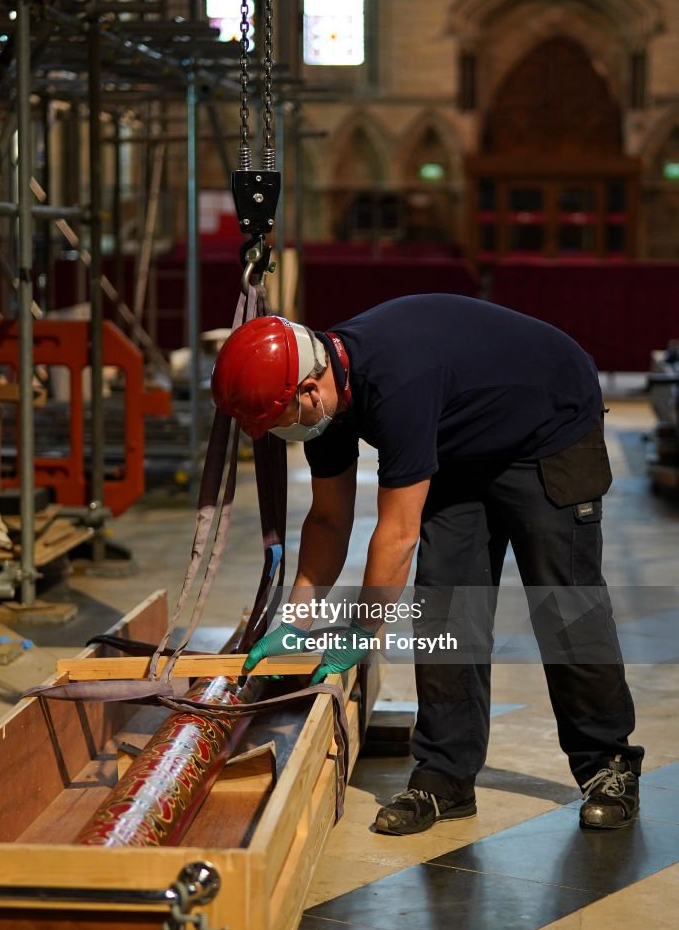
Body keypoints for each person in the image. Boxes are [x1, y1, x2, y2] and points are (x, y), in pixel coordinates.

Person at [211, 294, 643, 835]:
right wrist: (295, 625)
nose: (285, 433)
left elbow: (396, 534)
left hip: (549, 425)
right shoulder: (326, 402)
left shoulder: (396, 383)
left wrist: (361, 633)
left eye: (282, 420)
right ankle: (445, 777)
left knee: (564, 602)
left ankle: (608, 765)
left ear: (310, 388)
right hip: (463, 437)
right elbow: (327, 521)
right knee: (445, 605)